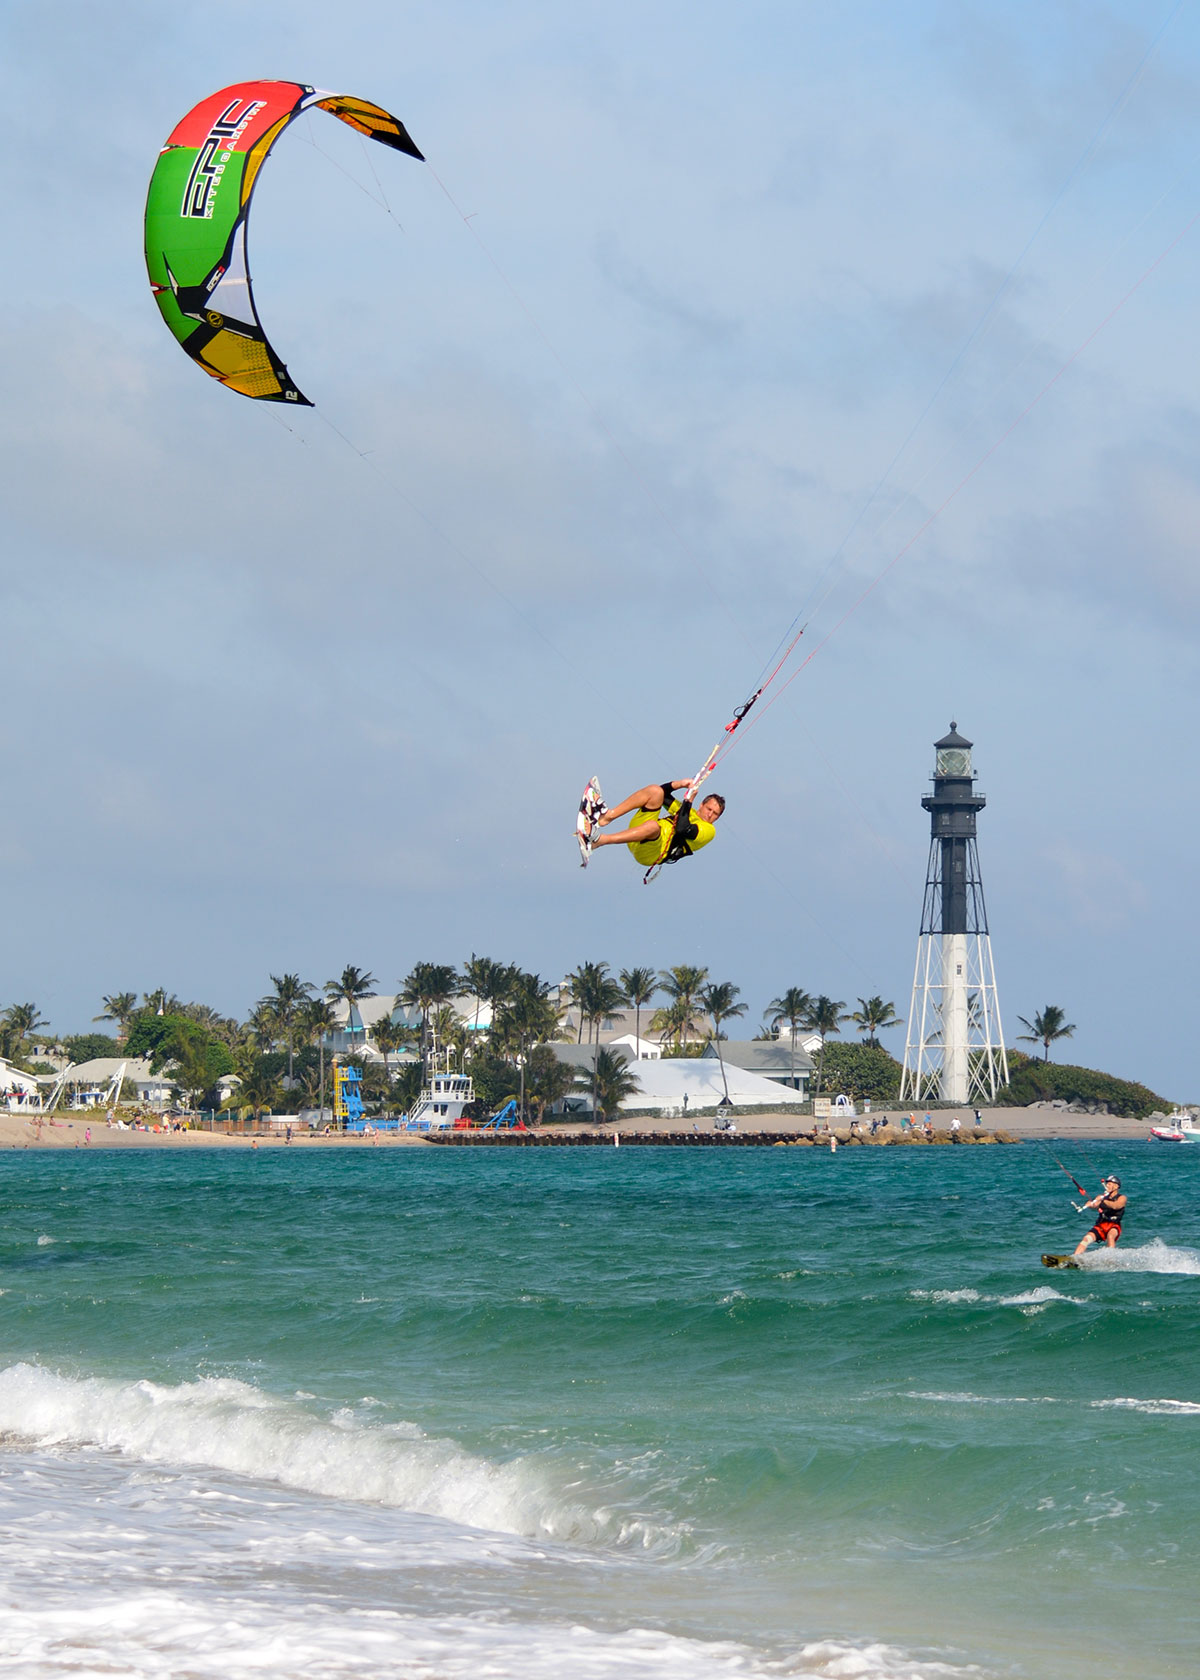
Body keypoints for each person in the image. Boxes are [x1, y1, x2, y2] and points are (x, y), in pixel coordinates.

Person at [585, 779, 725, 869]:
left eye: (715, 814)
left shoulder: (709, 830)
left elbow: (682, 829)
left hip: (652, 853)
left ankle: (600, 840)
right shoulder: (688, 812)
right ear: (702, 805)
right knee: (655, 791)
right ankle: (607, 816)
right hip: (638, 834)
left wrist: (688, 801)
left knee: (653, 826)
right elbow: (663, 793)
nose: (710, 814)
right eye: (709, 809)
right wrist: (680, 784)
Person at [1074, 1175, 1126, 1257]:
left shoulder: (1122, 1198)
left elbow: (1116, 1206)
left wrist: (1104, 1201)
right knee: (1086, 1239)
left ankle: (1110, 1259)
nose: (1107, 1186)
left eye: (1109, 1184)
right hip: (1101, 1225)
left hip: (1114, 1225)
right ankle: (1075, 1257)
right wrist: (1091, 1205)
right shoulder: (1101, 1197)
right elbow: (1095, 1205)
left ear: (1116, 1186)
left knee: (1110, 1236)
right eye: (1107, 1184)